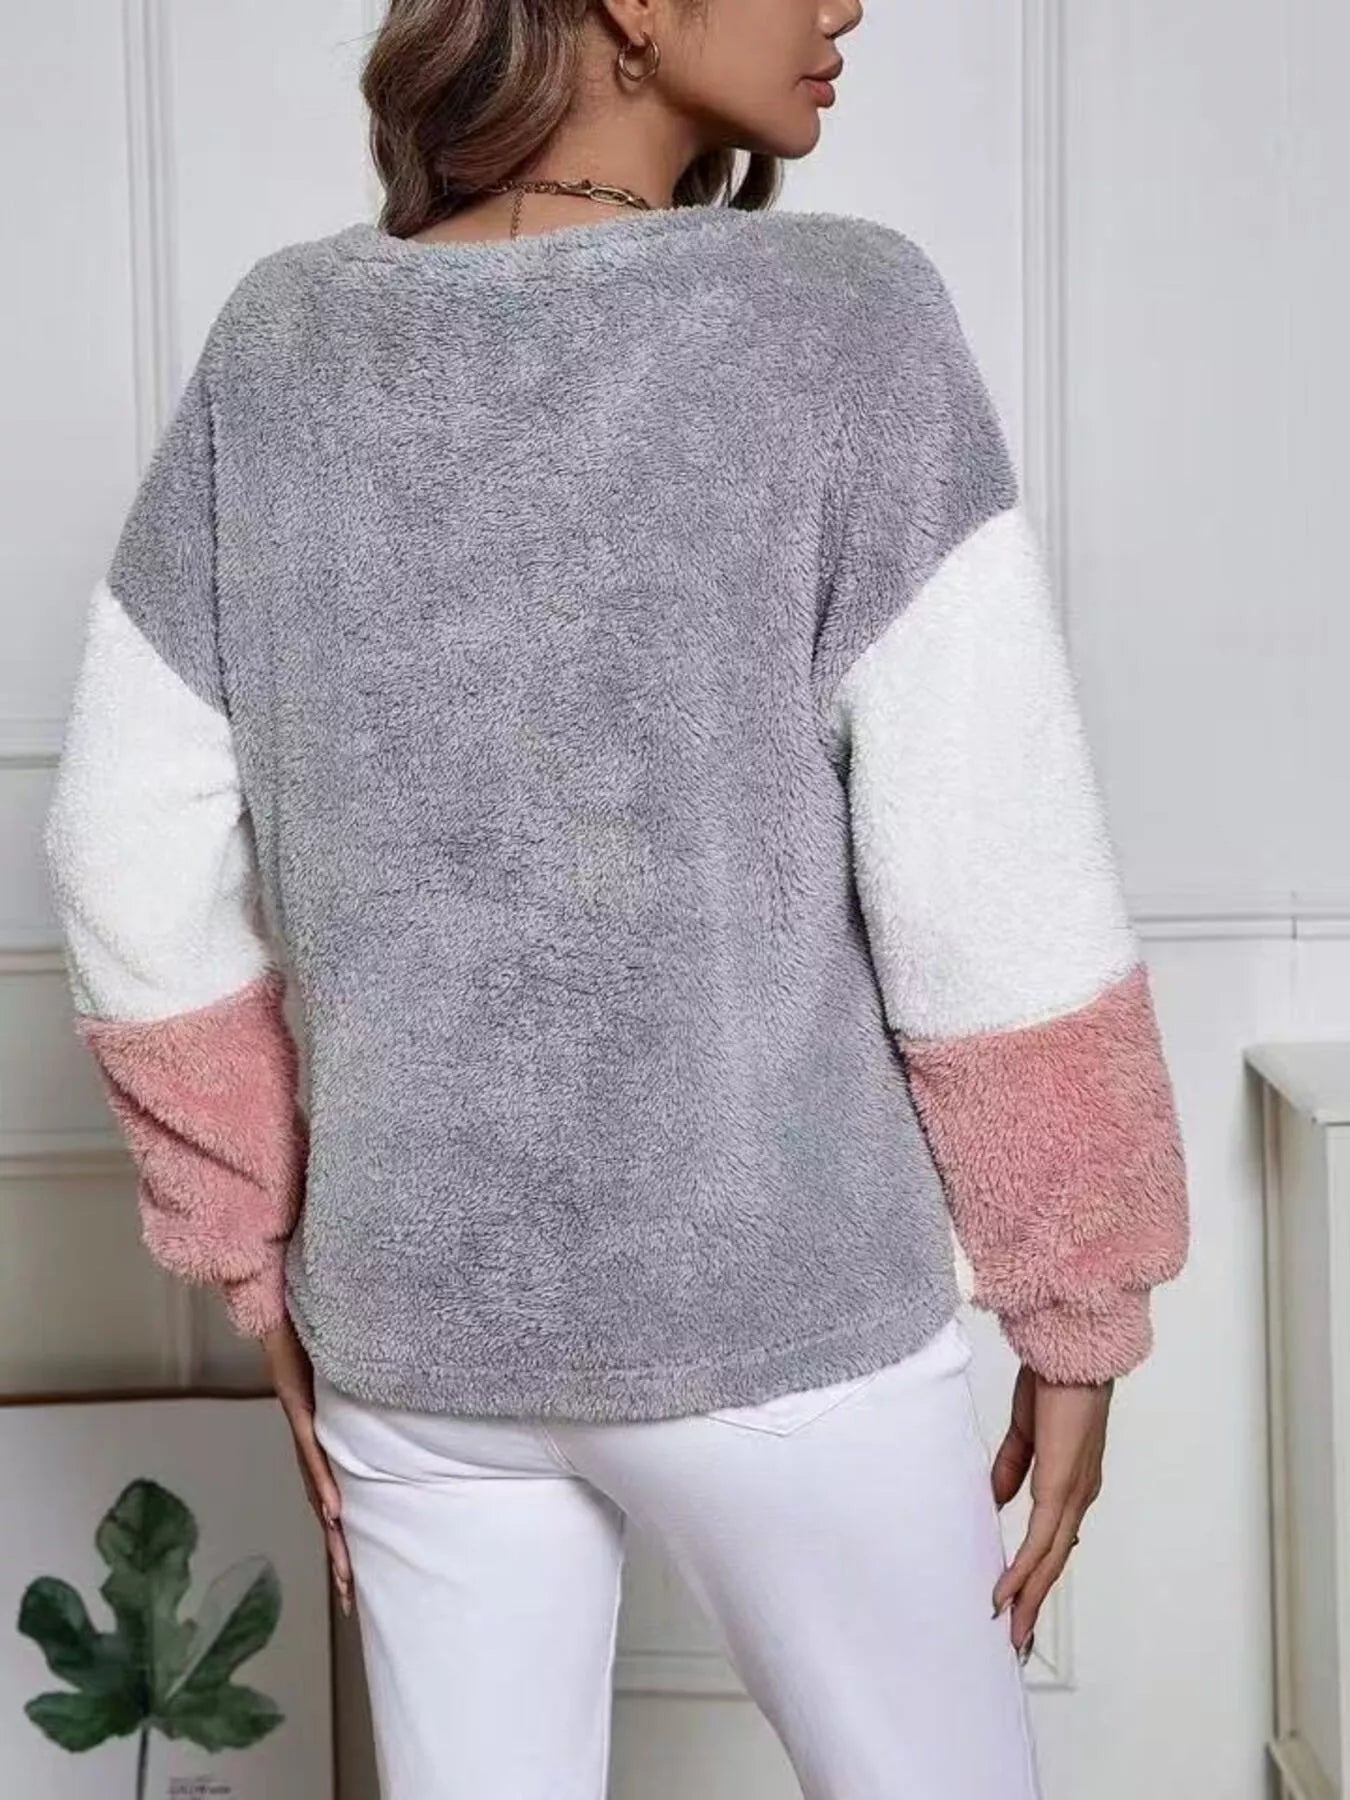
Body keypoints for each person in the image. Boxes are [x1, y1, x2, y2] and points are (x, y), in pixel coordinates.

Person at [42, 0, 1190, 1794]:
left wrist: (254, 1258)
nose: (843, 8)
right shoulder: (846, 318)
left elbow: (121, 837)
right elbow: (990, 861)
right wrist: (1077, 1302)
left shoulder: (281, 346)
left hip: (417, 1332)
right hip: (781, 1317)